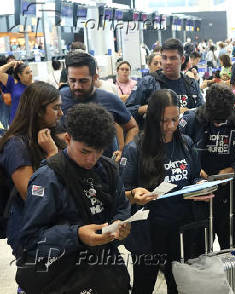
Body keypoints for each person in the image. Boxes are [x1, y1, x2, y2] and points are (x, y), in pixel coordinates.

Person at [15, 103, 131, 294]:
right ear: (68, 139)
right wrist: (77, 235)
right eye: (84, 151)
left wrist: (121, 223)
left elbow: (121, 206)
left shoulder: (108, 168)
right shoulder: (47, 178)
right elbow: (31, 240)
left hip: (105, 269)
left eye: (99, 151)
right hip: (64, 274)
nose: (91, 160)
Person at [122, 89, 207, 294]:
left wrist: (199, 188)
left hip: (180, 229)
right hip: (149, 231)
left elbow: (194, 175)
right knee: (144, 284)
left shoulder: (185, 143)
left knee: (177, 283)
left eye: (174, 119)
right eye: (163, 121)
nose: (170, 126)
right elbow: (121, 192)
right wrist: (134, 195)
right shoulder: (135, 150)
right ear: (152, 119)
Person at [180, 83, 235, 250]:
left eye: (222, 121)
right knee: (199, 246)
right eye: (215, 120)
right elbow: (177, 151)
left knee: (233, 245)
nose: (218, 124)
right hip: (200, 191)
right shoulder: (191, 120)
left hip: (232, 191)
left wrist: (234, 169)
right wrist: (194, 169)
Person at [0, 82, 64, 256]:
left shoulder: (47, 137)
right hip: (29, 231)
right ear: (38, 110)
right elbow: (31, 195)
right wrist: (52, 155)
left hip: (53, 224)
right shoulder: (16, 145)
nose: (61, 113)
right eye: (56, 108)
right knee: (36, 281)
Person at [60, 52, 138, 158]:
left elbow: (132, 127)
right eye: (72, 80)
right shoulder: (59, 100)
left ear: (95, 77)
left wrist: (125, 152)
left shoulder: (109, 99)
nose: (77, 86)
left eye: (83, 81)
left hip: (104, 168)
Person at [126, 38, 204, 128]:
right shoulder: (148, 83)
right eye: (164, 58)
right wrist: (147, 108)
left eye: (173, 58)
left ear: (182, 60)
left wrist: (189, 112)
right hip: (155, 137)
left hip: (186, 138)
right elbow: (127, 111)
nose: (168, 62)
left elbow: (203, 112)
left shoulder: (191, 84)